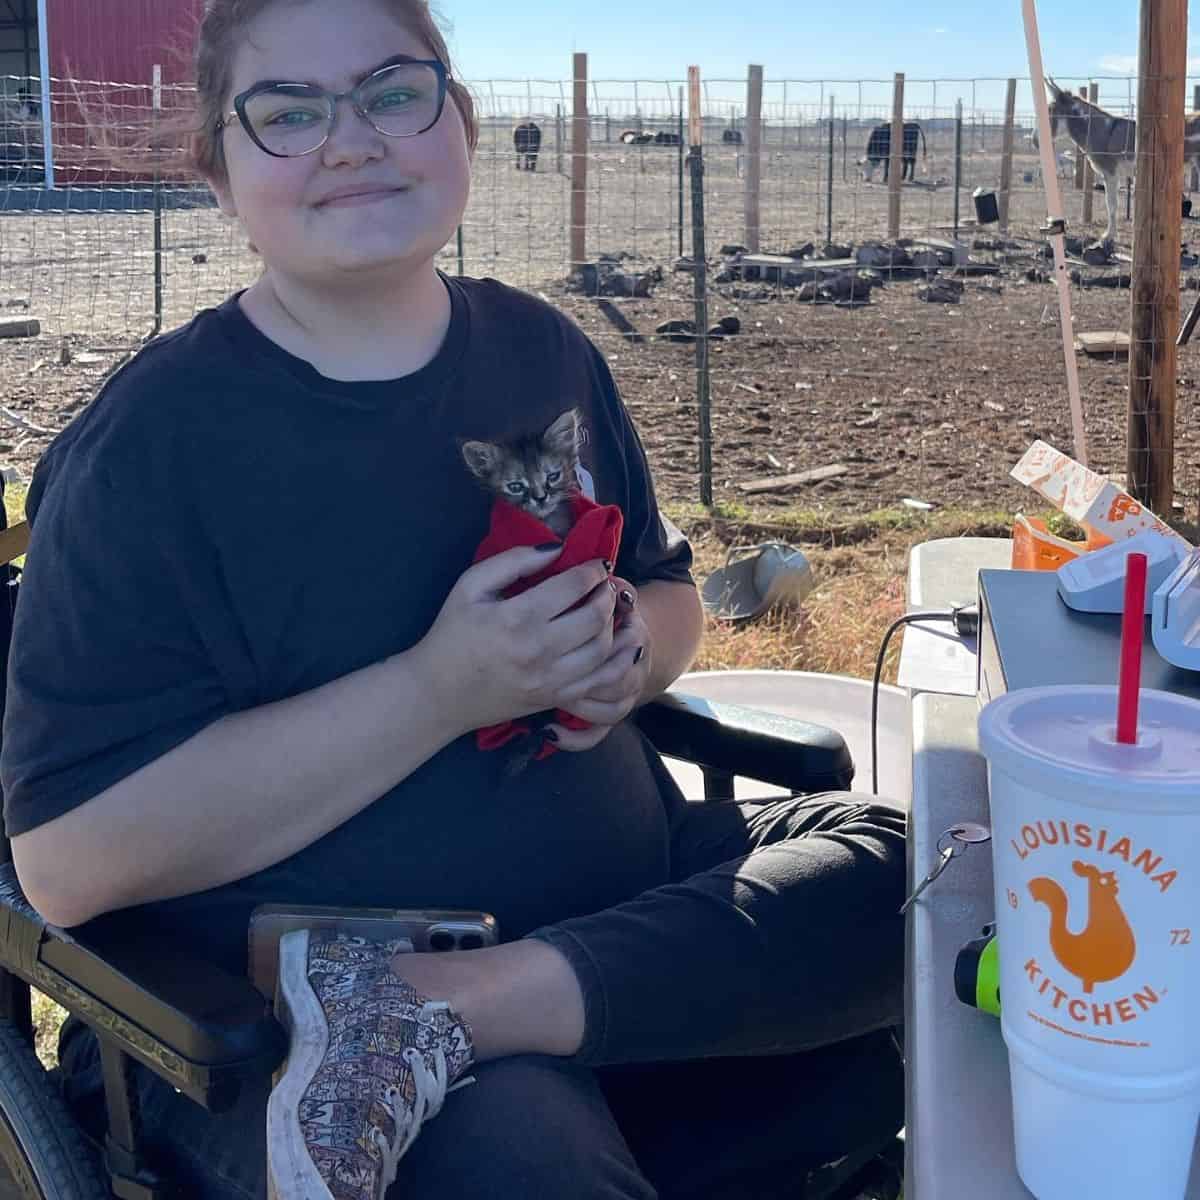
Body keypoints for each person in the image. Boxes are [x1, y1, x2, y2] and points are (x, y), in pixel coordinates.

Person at [0, 1, 907, 1197]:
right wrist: (442, 688)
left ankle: (462, 1006)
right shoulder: (150, 451)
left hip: (625, 917)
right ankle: (424, 1022)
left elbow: (668, 593)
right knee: (526, 1160)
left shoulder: (542, 349)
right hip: (283, 1022)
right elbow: (65, 864)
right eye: (287, 112)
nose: (351, 139)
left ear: (460, 121)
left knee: (939, 868)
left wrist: (625, 660)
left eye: (391, 91)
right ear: (216, 172)